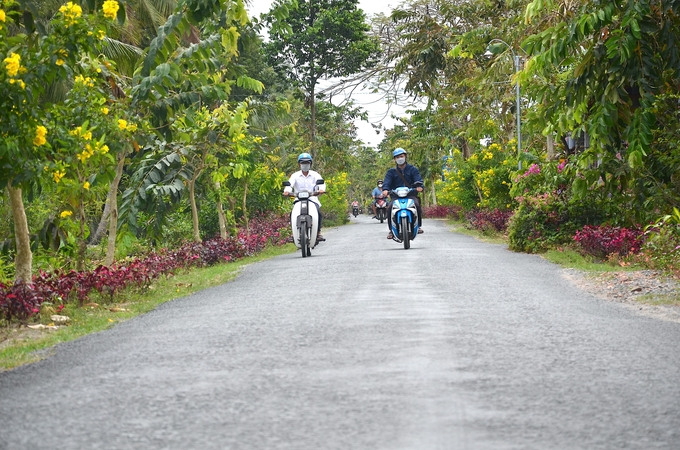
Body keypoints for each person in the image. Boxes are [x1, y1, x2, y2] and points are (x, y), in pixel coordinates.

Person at [381, 147, 424, 239]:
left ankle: (418, 225)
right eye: (397, 157)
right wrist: (385, 190)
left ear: (405, 156)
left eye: (401, 156)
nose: (400, 158)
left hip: (411, 195)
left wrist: (419, 187)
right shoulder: (391, 172)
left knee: (416, 204)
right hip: (396, 196)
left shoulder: (413, 169)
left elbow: (418, 180)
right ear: (394, 159)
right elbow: (387, 183)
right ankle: (391, 230)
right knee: (389, 208)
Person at [283, 153, 326, 242]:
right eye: (303, 163)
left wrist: (321, 189)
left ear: (310, 164)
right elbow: (290, 184)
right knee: (292, 214)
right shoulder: (295, 175)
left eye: (307, 163)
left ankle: (318, 233)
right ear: (299, 164)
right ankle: (293, 233)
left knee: (318, 213)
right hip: (298, 200)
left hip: (312, 199)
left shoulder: (315, 175)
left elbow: (322, 183)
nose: (305, 165)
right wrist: (287, 191)